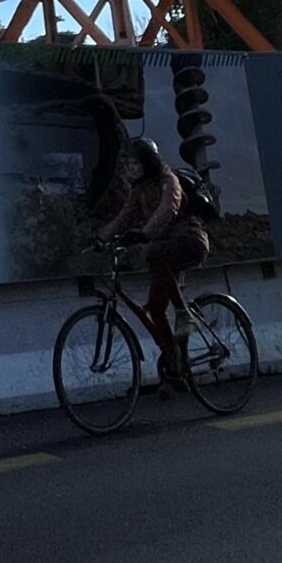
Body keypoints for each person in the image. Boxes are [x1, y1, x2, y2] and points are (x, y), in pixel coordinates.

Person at [102, 135, 209, 392]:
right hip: (164, 249)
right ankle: (175, 366)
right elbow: (123, 218)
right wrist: (100, 238)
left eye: (135, 164)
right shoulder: (138, 190)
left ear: (148, 163)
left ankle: (184, 314)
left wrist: (145, 233)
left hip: (189, 241)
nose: (130, 169)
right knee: (156, 308)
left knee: (153, 253)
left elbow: (168, 208)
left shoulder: (168, 180)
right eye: (128, 164)